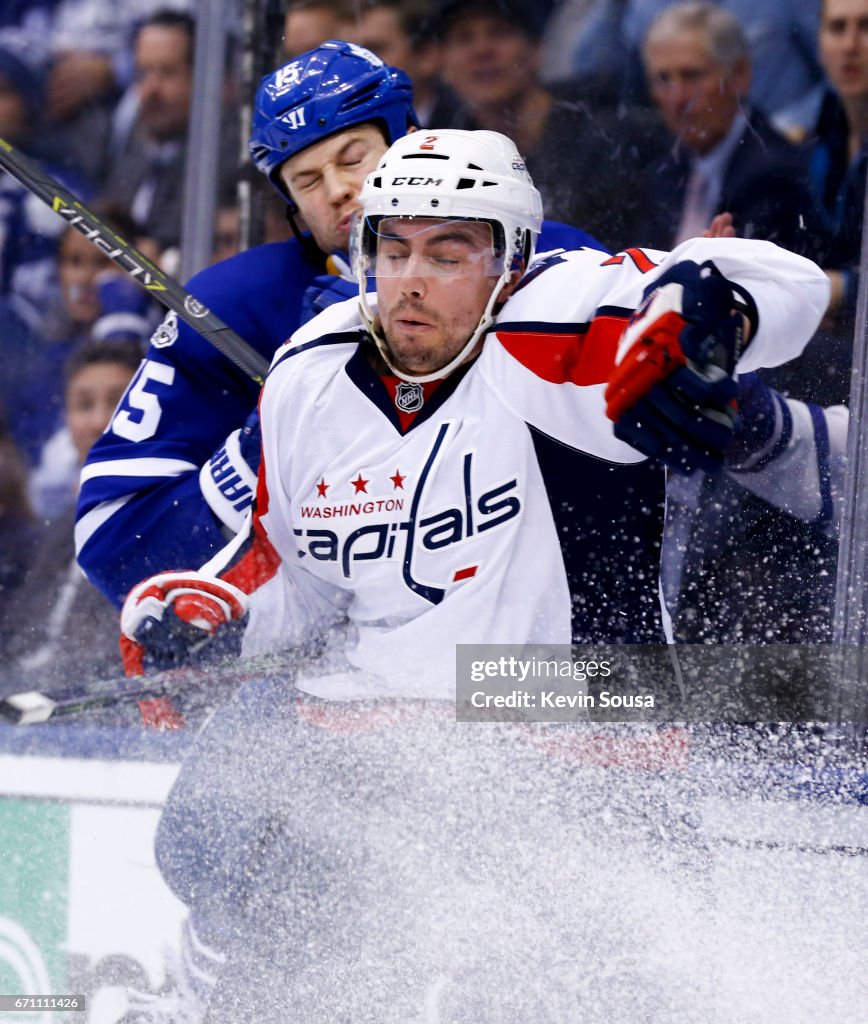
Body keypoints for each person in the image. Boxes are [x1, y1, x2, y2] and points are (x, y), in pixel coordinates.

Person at [118, 129, 829, 1020]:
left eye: (449, 253)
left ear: (510, 261)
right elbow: (298, 584)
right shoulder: (308, 373)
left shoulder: (562, 323)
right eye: (392, 247)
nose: (410, 278)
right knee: (263, 927)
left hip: (585, 758)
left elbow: (779, 284)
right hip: (370, 765)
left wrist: (710, 310)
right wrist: (212, 617)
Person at [75, 40, 602, 610]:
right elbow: (112, 546)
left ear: (409, 141)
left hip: (542, 647)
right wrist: (269, 448)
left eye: (353, 158)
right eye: (305, 180)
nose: (336, 190)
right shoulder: (232, 307)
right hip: (341, 679)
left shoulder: (549, 260)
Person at [431, 0, 664, 252]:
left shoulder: (607, 140)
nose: (482, 50)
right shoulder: (443, 154)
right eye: (463, 38)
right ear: (443, 65)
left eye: (500, 32)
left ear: (536, 51)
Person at [0, 342, 142, 694]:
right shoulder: (55, 531)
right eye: (84, 405)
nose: (98, 421)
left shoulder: (169, 526)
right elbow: (19, 638)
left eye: (117, 402)